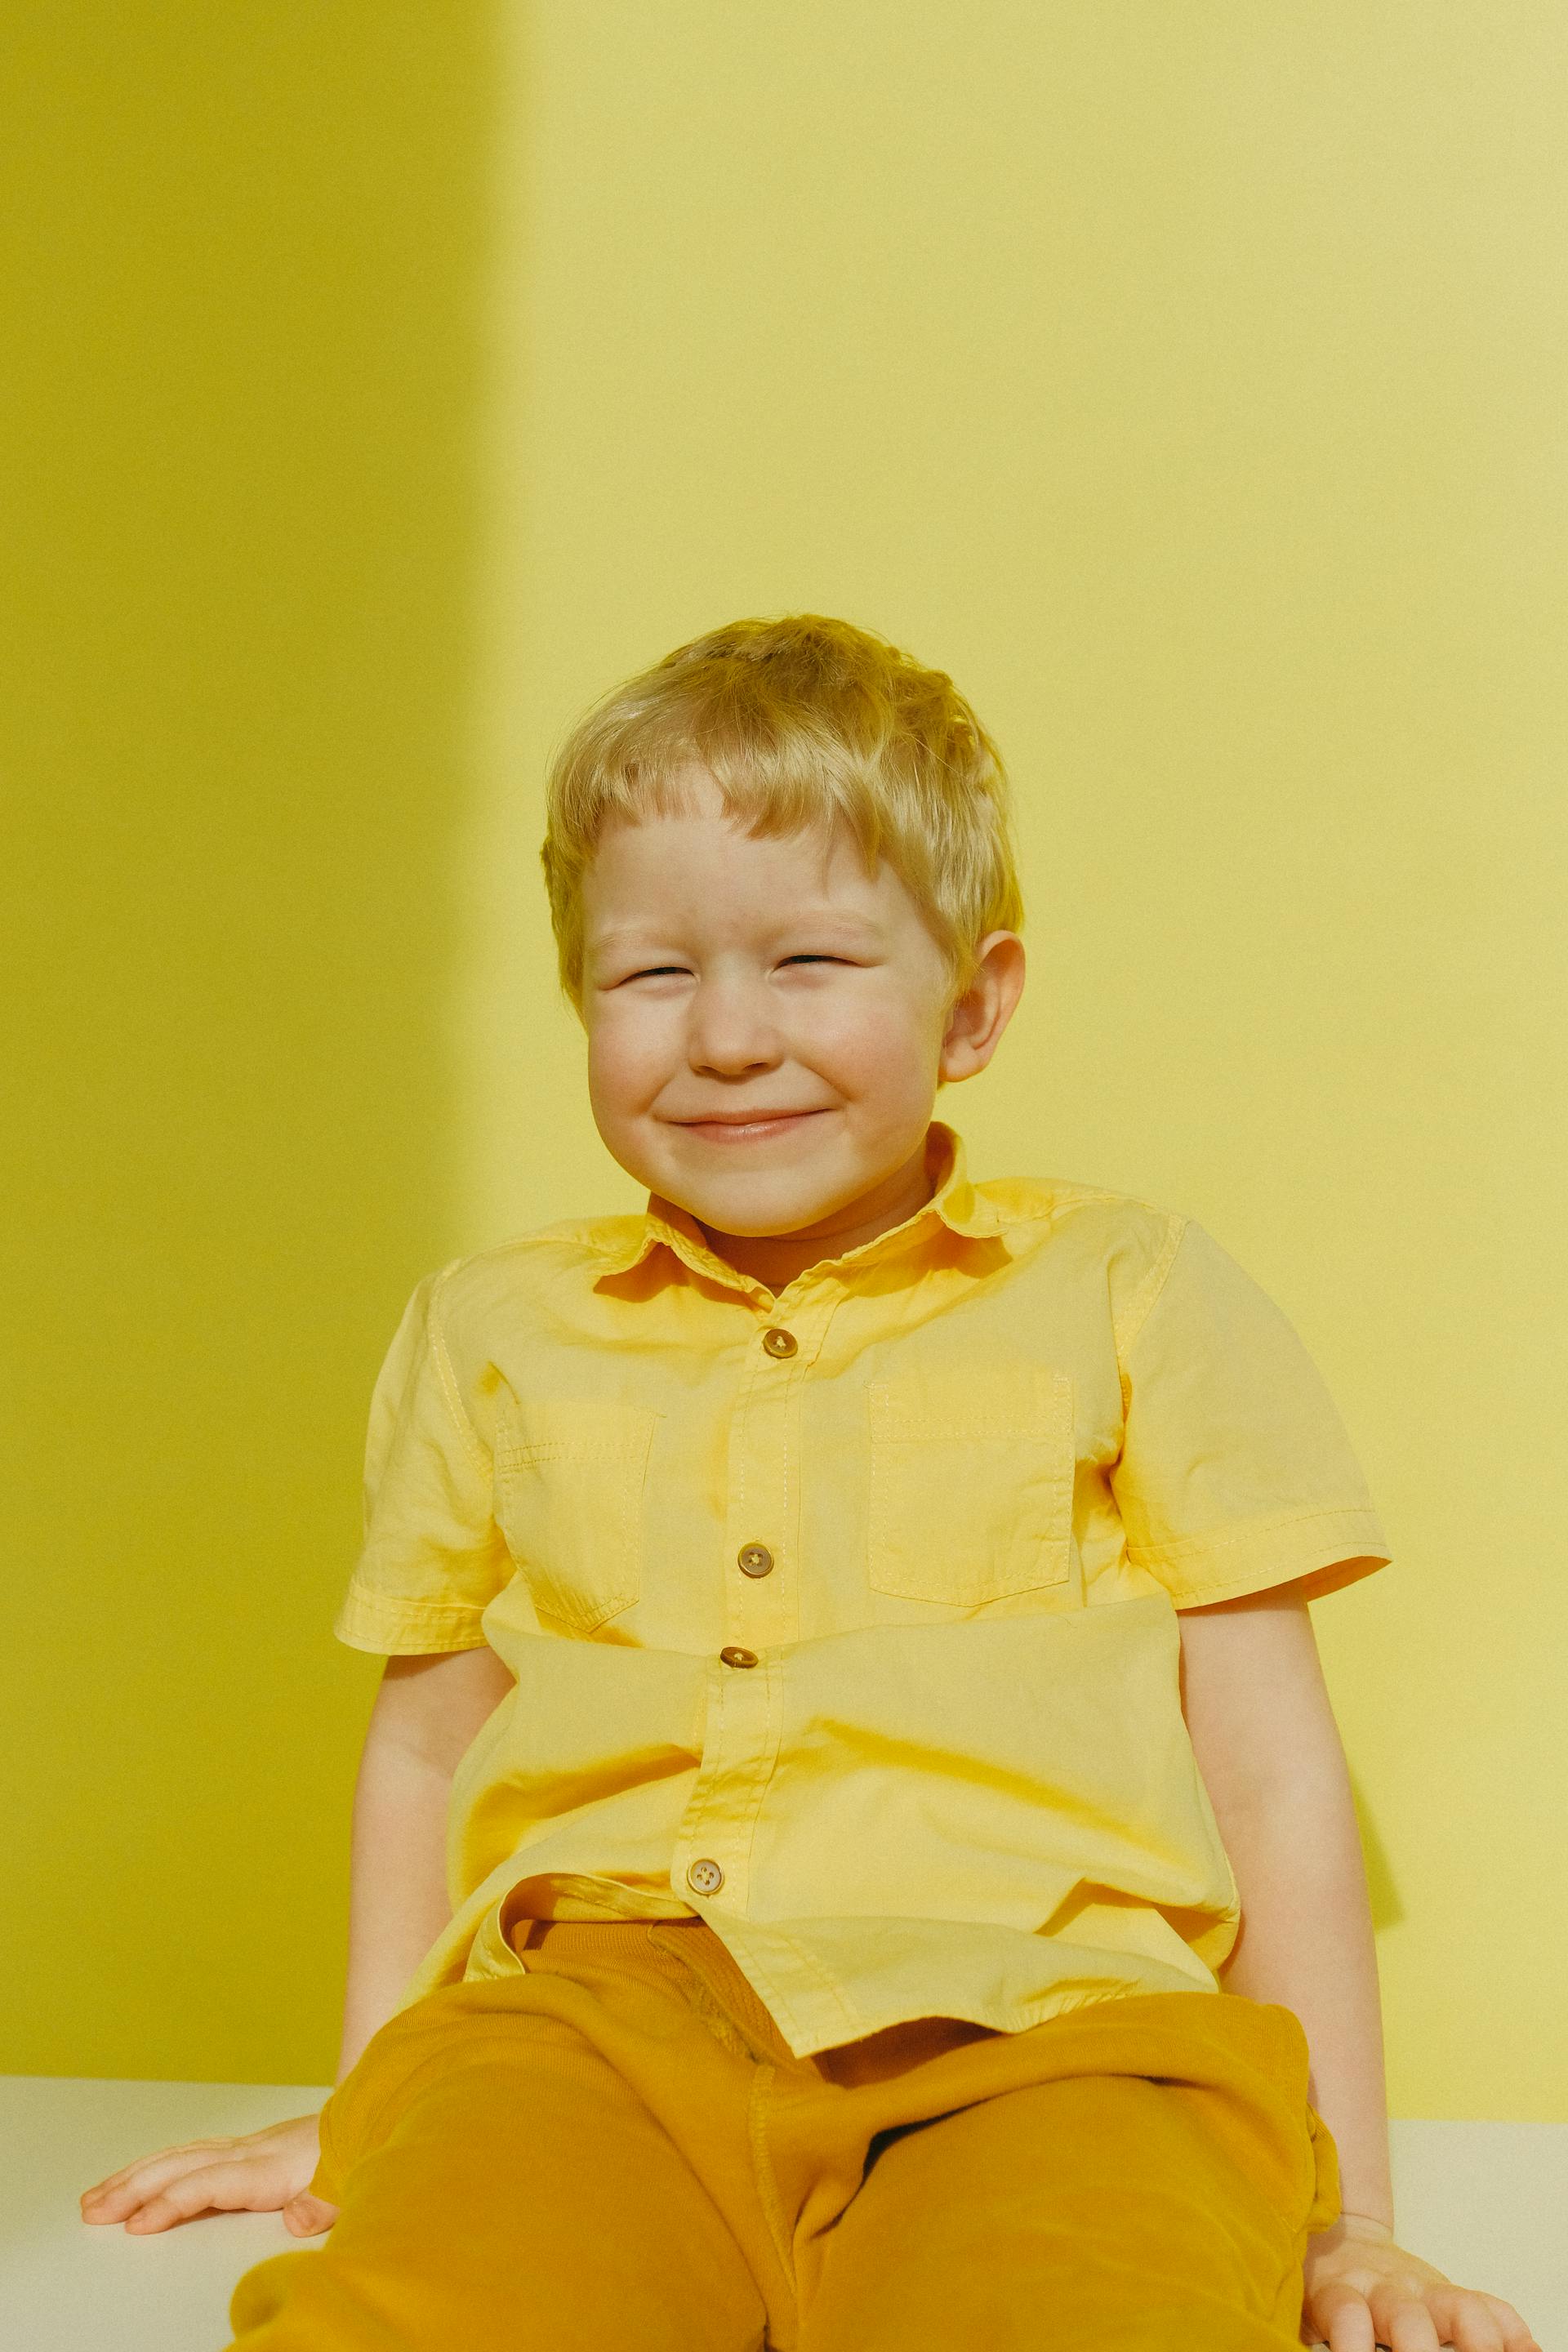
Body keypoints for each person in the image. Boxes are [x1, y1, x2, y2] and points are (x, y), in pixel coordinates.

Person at [82, 616, 1541, 2352]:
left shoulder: (1129, 1290)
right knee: (407, 2320)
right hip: (593, 2027)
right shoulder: (489, 1327)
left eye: (812, 963)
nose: (728, 1036)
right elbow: (422, 1744)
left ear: (975, 1005)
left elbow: (1275, 1776)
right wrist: (360, 2099)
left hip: (1055, 2031)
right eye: (651, 976)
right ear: (580, 1002)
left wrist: (1350, 2220)